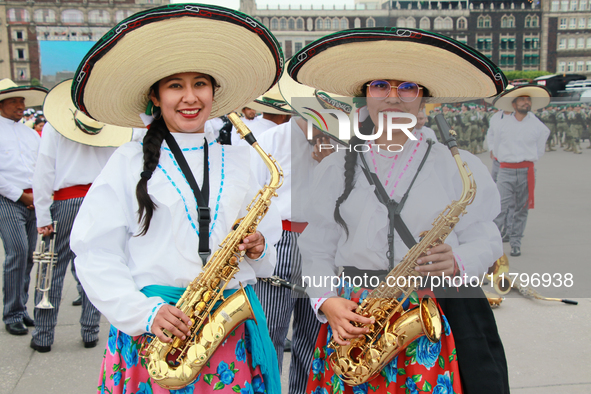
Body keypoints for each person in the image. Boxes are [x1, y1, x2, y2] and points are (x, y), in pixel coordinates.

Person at [69, 4, 283, 393]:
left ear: (214, 92)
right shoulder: (128, 160)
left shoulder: (239, 158)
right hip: (157, 329)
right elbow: (95, 252)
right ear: (155, 94)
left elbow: (266, 242)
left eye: (200, 83)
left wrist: (258, 245)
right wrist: (144, 313)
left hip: (227, 328)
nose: (190, 97)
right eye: (175, 85)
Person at [290, 28, 508, 394]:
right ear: (366, 97)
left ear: (423, 99)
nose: (393, 96)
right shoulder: (335, 167)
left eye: (407, 86)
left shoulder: (457, 165)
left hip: (429, 312)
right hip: (356, 319)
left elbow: (487, 238)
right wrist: (326, 301)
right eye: (380, 86)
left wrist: (457, 261)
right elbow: (316, 250)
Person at [30, 79, 134, 353]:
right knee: (97, 265)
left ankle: (43, 335)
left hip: (65, 202)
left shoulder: (54, 128)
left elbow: (44, 172)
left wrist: (42, 215)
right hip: (101, 201)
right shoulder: (111, 128)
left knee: (52, 268)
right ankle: (90, 331)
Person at [0, 78, 47, 336]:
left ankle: (20, 307)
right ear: (1, 103)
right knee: (17, 253)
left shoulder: (30, 134)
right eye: (16, 100)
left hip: (33, 201)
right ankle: (12, 313)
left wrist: (38, 196)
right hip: (8, 199)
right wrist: (21, 196)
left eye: (22, 100)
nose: (21, 105)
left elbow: (40, 167)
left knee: (28, 255)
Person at [489, 85, 551, 257]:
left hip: (526, 171)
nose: (526, 102)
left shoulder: (538, 126)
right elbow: (496, 145)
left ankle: (516, 242)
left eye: (528, 99)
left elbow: (539, 150)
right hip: (506, 171)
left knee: (521, 209)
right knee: (499, 208)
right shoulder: (501, 124)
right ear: (514, 104)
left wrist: (526, 160)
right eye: (522, 100)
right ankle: (492, 245)